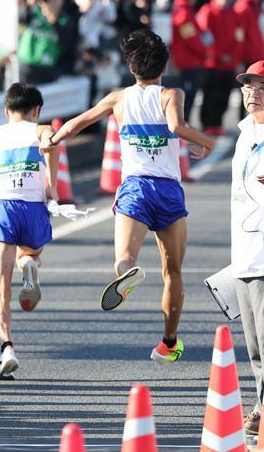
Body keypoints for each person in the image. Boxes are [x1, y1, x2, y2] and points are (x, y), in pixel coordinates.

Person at [45, 29, 215, 364]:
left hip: (135, 186)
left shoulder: (118, 99)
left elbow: (78, 122)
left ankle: (128, 272)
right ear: (163, 67)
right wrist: (205, 142)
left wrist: (51, 140)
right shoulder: (171, 95)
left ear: (132, 68)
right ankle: (169, 343)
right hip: (167, 190)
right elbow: (178, 127)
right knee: (174, 272)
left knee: (123, 255)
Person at [0, 84, 58, 380]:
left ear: (6, 111)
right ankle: (30, 267)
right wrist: (52, 187)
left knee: (0, 289)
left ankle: (7, 348)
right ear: (36, 110)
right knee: (31, 256)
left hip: (4, 209)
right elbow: (51, 144)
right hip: (34, 210)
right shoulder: (42, 130)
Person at [231, 61, 264, 437]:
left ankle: (260, 411)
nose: (252, 94)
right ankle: (260, 407)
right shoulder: (242, 134)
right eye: (248, 87)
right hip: (243, 253)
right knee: (254, 347)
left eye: (260, 88)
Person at [196, 0, 241, 136]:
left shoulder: (233, 13)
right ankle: (207, 124)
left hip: (229, 64)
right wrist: (220, 55)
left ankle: (217, 124)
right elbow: (205, 37)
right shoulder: (207, 11)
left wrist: (232, 56)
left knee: (225, 95)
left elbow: (238, 37)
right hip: (212, 63)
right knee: (210, 95)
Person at [170, 0, 210, 121]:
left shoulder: (180, 9)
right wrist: (204, 52)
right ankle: (183, 127)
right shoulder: (184, 13)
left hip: (185, 59)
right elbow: (191, 38)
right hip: (188, 60)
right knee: (187, 96)